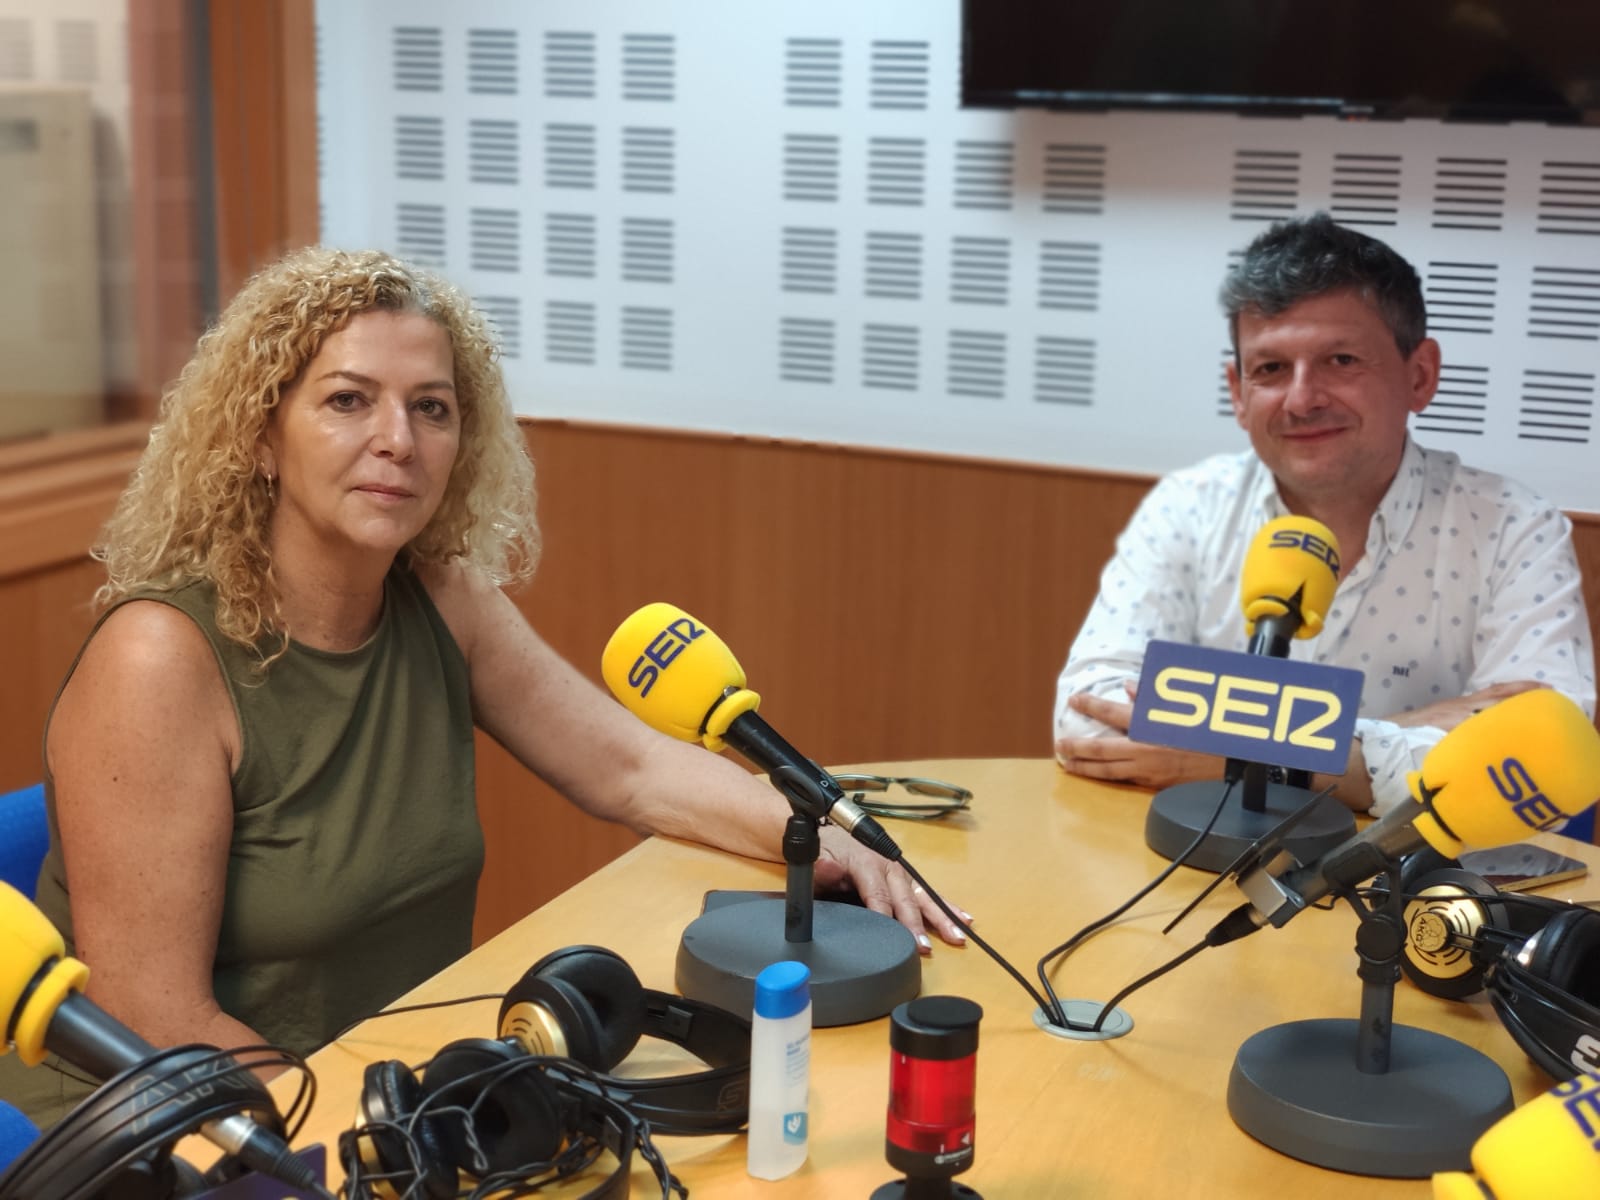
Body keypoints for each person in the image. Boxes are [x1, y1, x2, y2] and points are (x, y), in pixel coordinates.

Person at [1, 248, 966, 1127]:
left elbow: (628, 766)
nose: (398, 439)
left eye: (431, 406)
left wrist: (822, 831)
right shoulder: (158, 660)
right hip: (192, 1134)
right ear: (261, 437)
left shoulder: (440, 598)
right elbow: (154, 1016)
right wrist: (375, 1142)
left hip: (391, 1099)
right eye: (347, 401)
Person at [1054, 213, 1595, 815]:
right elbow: (1087, 719)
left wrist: (1228, 758)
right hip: (1203, 881)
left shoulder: (1516, 528)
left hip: (1429, 893)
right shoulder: (1189, 506)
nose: (1303, 399)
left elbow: (1542, 755)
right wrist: (1389, 737)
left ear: (1420, 376)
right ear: (1238, 391)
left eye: (1340, 361)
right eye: (1271, 369)